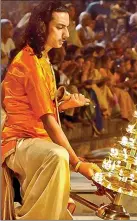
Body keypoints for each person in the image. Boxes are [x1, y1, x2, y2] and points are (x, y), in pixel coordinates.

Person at [1, 1, 101, 219]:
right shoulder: (28, 63)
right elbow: (47, 120)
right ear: (41, 27)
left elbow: (38, 108)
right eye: (59, 27)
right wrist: (78, 163)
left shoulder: (43, 59)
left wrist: (65, 105)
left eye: (67, 27)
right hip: (17, 142)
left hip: (35, 138)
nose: (66, 33)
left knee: (58, 154)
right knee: (57, 155)